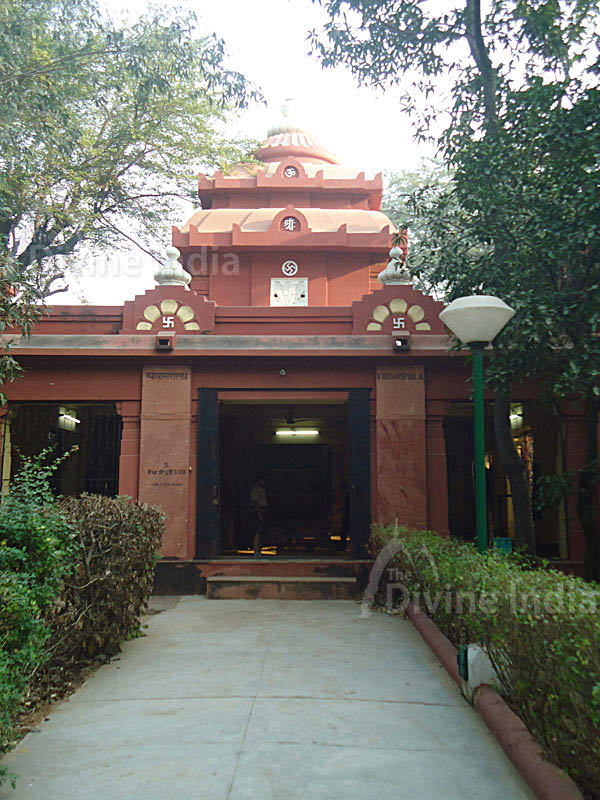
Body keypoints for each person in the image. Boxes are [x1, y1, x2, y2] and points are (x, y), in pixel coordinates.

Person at [249, 473, 268, 557]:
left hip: (262, 510)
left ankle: (259, 550)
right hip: (258, 511)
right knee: (257, 532)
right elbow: (255, 502)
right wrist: (259, 514)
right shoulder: (255, 489)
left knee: (261, 532)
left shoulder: (261, 489)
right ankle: (256, 551)